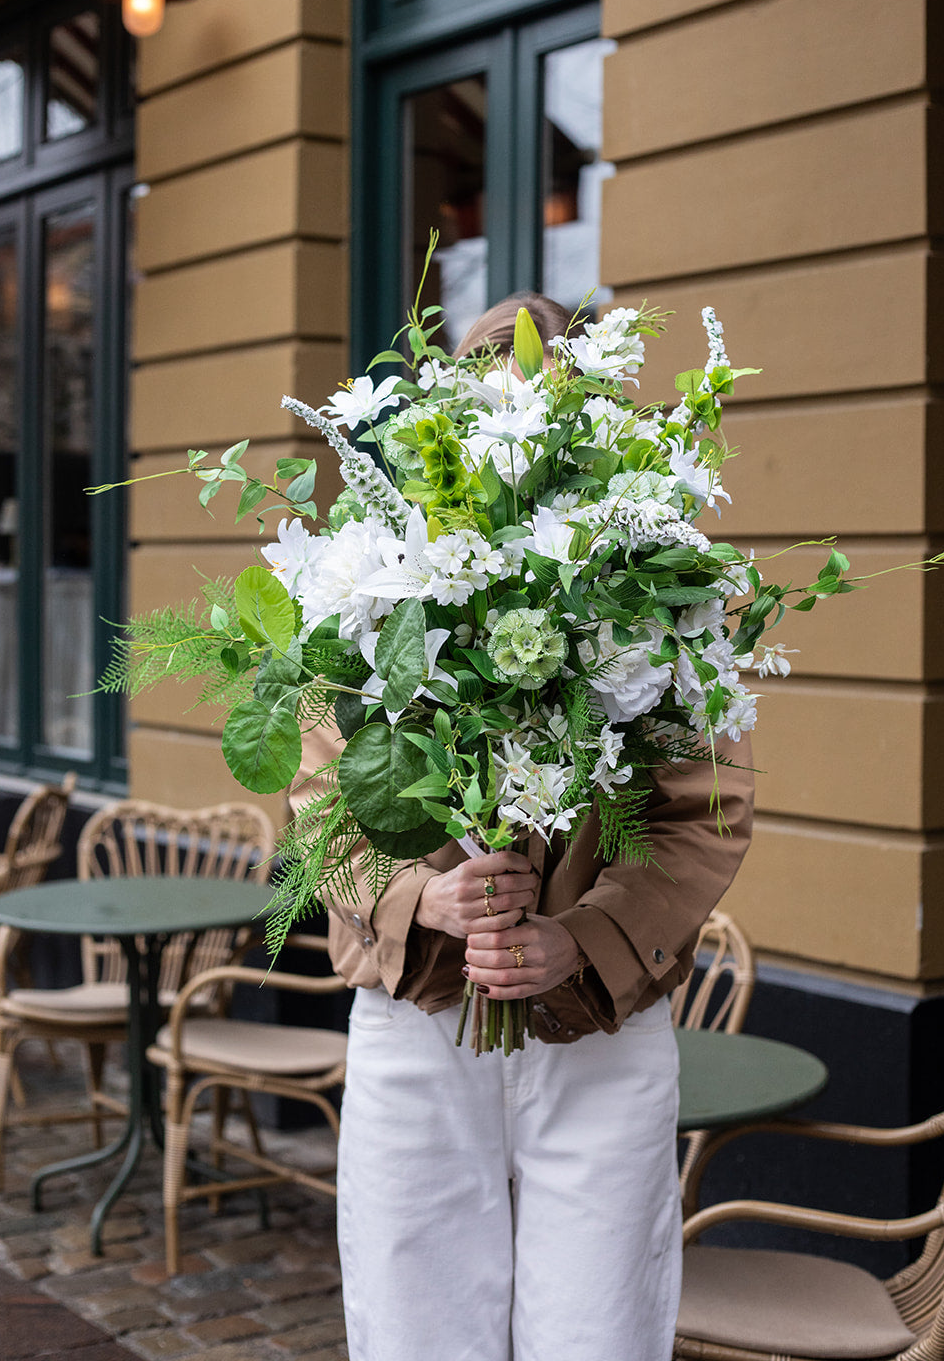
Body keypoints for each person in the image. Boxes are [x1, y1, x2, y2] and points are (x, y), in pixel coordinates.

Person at [291, 294, 754, 1361]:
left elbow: (702, 814)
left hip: (597, 1021)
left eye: (546, 392)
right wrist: (424, 898)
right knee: (416, 1318)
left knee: (596, 1325)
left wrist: (577, 937)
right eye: (493, 387)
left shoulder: (659, 581)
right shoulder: (365, 577)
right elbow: (320, 803)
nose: (518, 406)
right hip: (419, 1011)